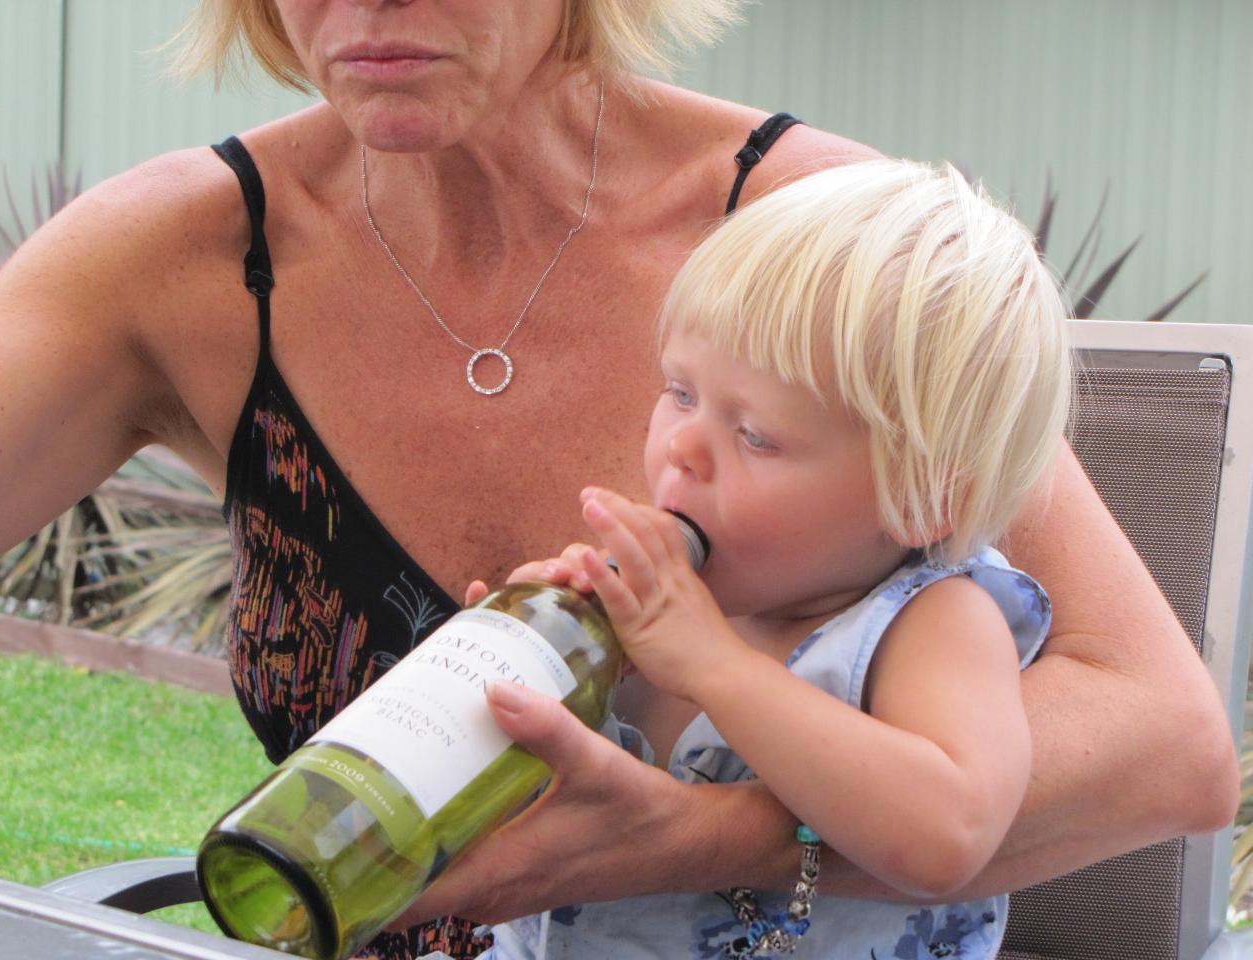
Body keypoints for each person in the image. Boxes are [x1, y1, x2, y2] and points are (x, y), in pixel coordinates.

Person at [0, 1, 1235, 958]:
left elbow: (1165, 752)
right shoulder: (177, 258)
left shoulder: (820, 250)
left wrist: (691, 840)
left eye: (748, 432)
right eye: (676, 397)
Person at [453, 157, 1069, 960]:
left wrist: (714, 665)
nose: (682, 448)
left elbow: (948, 834)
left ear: (921, 498)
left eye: (755, 436)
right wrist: (530, 681)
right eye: (680, 392)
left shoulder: (933, 623)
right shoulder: (655, 608)